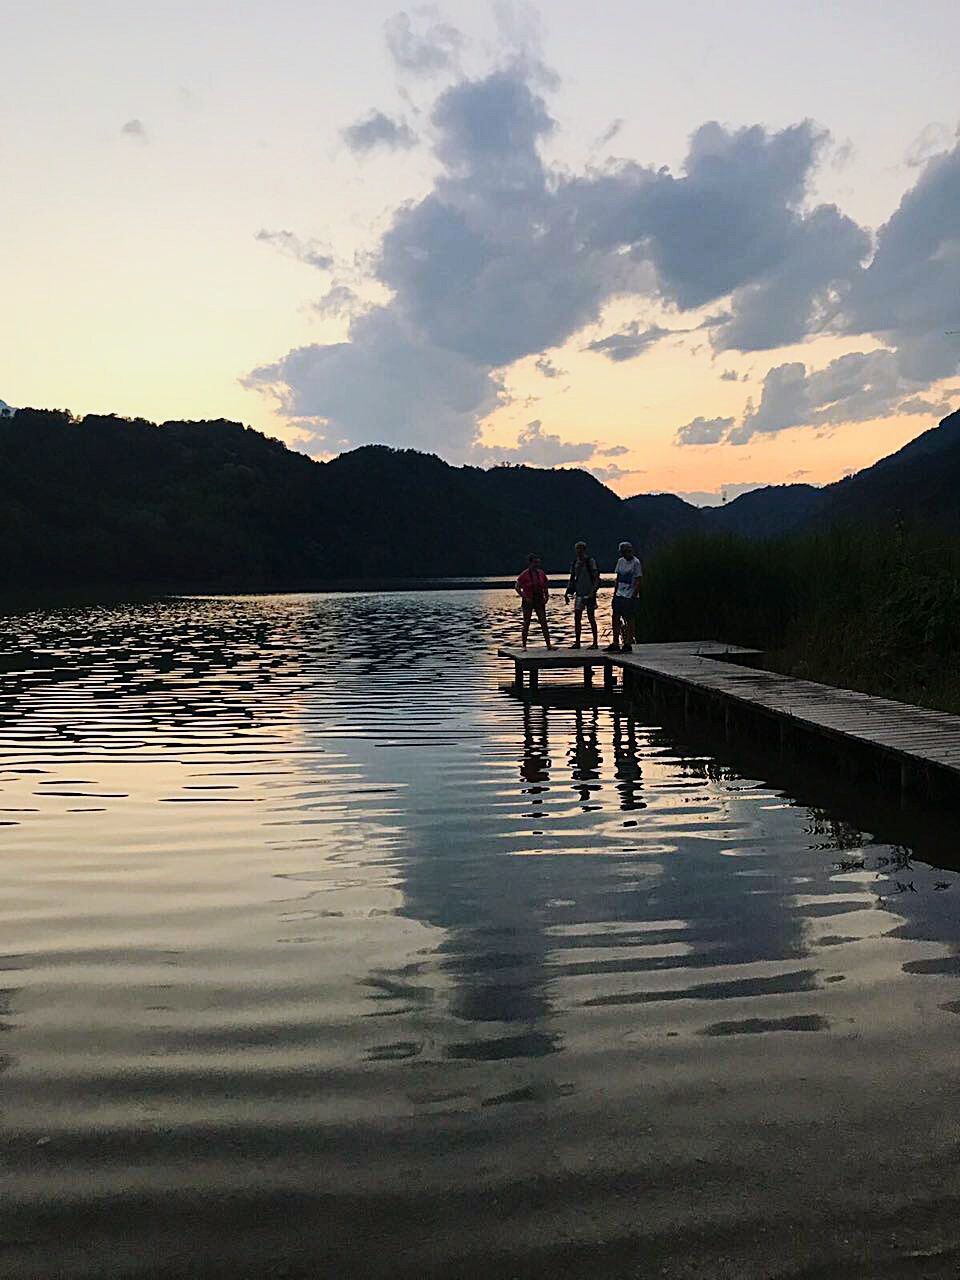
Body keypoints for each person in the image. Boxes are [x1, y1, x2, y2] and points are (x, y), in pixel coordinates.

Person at [606, 540, 642, 654]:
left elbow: (638, 580)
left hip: (630, 595)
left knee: (629, 619)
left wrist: (633, 596)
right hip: (619, 595)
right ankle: (615, 642)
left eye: (626, 551)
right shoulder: (620, 561)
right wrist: (614, 594)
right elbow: (617, 579)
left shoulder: (636, 562)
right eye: (622, 552)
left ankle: (628, 643)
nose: (624, 554)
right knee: (615, 617)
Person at [564, 541, 600, 648]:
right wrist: (567, 592)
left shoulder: (590, 561)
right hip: (579, 593)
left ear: (584, 550)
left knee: (591, 617)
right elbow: (572, 578)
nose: (579, 551)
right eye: (577, 549)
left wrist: (592, 592)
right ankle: (578, 642)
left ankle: (595, 642)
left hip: (589, 593)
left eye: (581, 549)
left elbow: (596, 578)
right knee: (577, 617)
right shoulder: (575, 563)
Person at [515, 552, 553, 650]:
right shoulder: (525, 574)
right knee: (526, 622)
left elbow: (545, 585)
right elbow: (517, 586)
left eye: (537, 562)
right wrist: (523, 596)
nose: (536, 564)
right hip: (528, 600)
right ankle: (524, 646)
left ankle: (549, 644)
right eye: (535, 562)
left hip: (539, 599)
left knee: (543, 622)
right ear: (530, 563)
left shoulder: (540, 573)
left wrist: (546, 595)